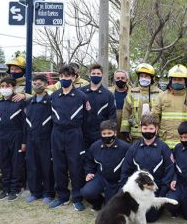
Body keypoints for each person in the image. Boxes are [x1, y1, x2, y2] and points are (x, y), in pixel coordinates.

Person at [119, 113, 174, 222]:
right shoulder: (133, 148)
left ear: (156, 129)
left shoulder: (164, 148)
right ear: (140, 129)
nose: (148, 131)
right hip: (137, 189)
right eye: (145, 128)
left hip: (156, 189)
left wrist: (161, 193)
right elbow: (126, 170)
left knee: (150, 218)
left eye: (151, 128)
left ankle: (160, 207)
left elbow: (169, 171)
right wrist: (126, 191)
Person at [49, 65, 89, 211]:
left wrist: (81, 136)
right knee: (58, 166)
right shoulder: (53, 96)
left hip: (74, 134)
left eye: (67, 77)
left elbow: (87, 119)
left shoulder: (81, 96)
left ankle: (77, 197)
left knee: (75, 166)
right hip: (57, 133)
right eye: (62, 77)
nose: (64, 79)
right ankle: (62, 197)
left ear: (73, 77)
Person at [81, 120, 130, 211]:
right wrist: (89, 172)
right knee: (87, 192)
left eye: (109, 133)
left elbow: (130, 166)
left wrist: (124, 181)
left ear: (115, 133)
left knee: (112, 208)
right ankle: (98, 202)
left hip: (118, 181)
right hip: (101, 178)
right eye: (104, 134)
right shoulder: (95, 146)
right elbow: (89, 161)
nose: (107, 136)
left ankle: (110, 200)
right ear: (101, 134)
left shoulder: (126, 147)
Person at [152, 64, 187, 149]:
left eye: (180, 79)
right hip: (165, 143)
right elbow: (154, 117)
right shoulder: (161, 97)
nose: (177, 82)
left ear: (185, 81)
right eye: (174, 79)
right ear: (170, 80)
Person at [0, 77, 26, 201]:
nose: (4, 88)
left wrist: (24, 141)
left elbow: (25, 124)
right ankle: (5, 189)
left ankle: (15, 189)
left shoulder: (20, 102)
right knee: (4, 163)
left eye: (7, 86)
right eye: (2, 86)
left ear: (13, 87)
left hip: (16, 136)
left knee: (16, 163)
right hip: (2, 137)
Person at [24, 74, 55, 203]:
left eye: (40, 83)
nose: (37, 85)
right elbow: (24, 123)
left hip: (46, 139)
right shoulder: (28, 102)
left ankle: (48, 192)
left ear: (46, 85)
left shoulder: (51, 101)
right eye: (35, 83)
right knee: (32, 166)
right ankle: (35, 192)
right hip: (31, 139)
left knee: (46, 166)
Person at [120, 63, 162, 142]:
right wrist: (125, 130)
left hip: (155, 135)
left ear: (151, 78)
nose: (143, 78)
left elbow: (162, 115)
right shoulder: (132, 93)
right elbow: (126, 112)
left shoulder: (160, 93)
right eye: (142, 76)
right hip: (136, 135)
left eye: (146, 76)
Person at [80, 64, 117, 148]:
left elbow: (112, 116)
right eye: (93, 74)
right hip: (83, 134)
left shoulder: (108, 95)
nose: (95, 75)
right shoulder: (81, 92)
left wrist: (110, 133)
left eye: (98, 74)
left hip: (101, 134)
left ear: (102, 75)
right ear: (89, 75)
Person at [111, 69, 130, 136]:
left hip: (128, 124)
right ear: (114, 80)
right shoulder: (109, 92)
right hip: (113, 124)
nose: (120, 80)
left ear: (127, 80)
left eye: (122, 78)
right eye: (118, 78)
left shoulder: (133, 92)